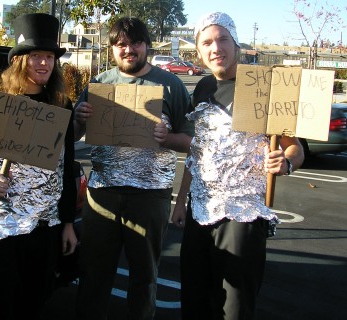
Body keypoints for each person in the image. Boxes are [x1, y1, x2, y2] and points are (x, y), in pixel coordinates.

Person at [171, 12, 305, 320]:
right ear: (199, 50)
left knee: (234, 309)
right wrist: (181, 201)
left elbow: (294, 147)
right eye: (207, 42)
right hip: (199, 213)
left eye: (222, 39)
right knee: (195, 300)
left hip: (243, 217)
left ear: (236, 43)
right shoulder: (202, 87)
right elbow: (198, 150)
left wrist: (286, 163)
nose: (216, 48)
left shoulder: (262, 86)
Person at [73, 17, 193, 320]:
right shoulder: (100, 84)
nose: (128, 49)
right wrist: (78, 118)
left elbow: (192, 140)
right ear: (113, 48)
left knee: (144, 275)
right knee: (93, 273)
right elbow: (71, 136)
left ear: (147, 46)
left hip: (150, 197)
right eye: (121, 44)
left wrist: (168, 138)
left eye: (135, 43)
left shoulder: (171, 85)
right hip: (102, 195)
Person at [0, 13, 78, 320]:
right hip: (1, 228)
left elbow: (67, 167)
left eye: (49, 57)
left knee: (35, 302)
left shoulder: (61, 104)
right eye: (35, 57)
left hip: (44, 230)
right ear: (19, 60)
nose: (44, 64)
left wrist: (68, 223)